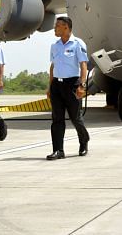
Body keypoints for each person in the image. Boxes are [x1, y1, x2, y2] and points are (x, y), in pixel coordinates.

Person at [46, 16, 91, 160]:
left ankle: (84, 141)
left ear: (66, 27)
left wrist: (82, 85)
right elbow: (53, 66)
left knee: (75, 118)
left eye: (57, 26)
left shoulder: (78, 44)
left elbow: (83, 65)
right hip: (57, 87)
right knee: (57, 119)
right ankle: (58, 150)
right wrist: (50, 87)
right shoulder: (55, 46)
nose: (55, 28)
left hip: (72, 85)